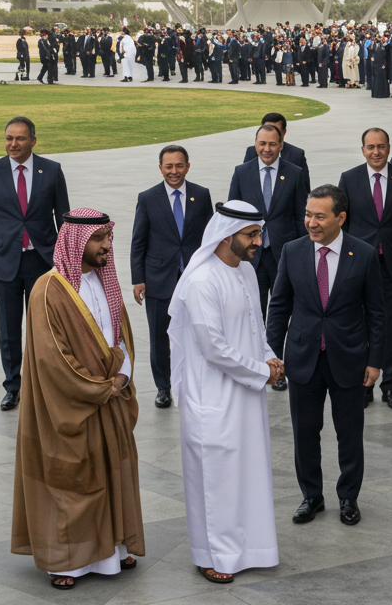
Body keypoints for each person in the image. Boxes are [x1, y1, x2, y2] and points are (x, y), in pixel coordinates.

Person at [10, 209, 144, 590]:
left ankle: (113, 549)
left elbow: (121, 337)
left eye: (108, 238)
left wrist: (123, 375)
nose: (106, 246)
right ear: (76, 242)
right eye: (98, 239)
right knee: (73, 479)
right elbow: (53, 359)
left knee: (111, 474)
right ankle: (67, 561)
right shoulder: (47, 291)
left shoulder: (105, 281)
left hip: (109, 398)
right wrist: (99, 388)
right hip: (70, 405)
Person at [168, 201, 284, 584]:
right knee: (215, 479)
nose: (258, 242)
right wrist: (261, 372)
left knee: (246, 474)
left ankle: (251, 549)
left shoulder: (247, 271)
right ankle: (212, 555)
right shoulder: (203, 281)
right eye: (251, 235)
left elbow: (255, 327)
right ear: (225, 235)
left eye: (259, 233)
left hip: (246, 394)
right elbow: (213, 348)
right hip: (213, 398)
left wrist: (269, 357)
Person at [266, 185, 386, 526]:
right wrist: (271, 355)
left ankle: (348, 497)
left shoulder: (363, 254)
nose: (311, 223)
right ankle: (311, 496)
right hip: (302, 359)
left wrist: (375, 360)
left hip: (349, 359)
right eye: (308, 215)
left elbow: (377, 313)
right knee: (305, 432)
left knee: (349, 434)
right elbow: (279, 307)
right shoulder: (292, 251)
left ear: (340, 218)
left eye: (320, 216)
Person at [0, 117, 71, 411]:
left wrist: (65, 262)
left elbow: (64, 219)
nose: (13, 144)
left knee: (45, 328)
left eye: (19, 138)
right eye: (9, 138)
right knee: (9, 329)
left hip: (42, 261)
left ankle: (44, 385)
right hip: (4, 262)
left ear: (33, 141)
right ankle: (13, 386)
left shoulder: (51, 170)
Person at [338, 128, 392, 410]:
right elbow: (343, 225)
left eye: (381, 146)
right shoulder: (349, 179)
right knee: (361, 326)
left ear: (388, 148)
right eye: (371, 147)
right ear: (363, 150)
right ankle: (365, 386)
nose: (376, 152)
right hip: (359, 266)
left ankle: (390, 387)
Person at [130, 145, 213, 409]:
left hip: (194, 279)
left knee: (198, 332)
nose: (174, 171)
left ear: (187, 166)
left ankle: (196, 382)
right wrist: (138, 279)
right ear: (160, 168)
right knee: (159, 336)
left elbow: (210, 238)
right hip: (158, 279)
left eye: (179, 165)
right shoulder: (147, 198)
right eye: (168, 166)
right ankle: (163, 387)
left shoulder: (201, 195)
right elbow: (138, 242)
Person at [227, 123, 309, 320]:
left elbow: (301, 217)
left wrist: (303, 254)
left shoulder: (295, 173)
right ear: (255, 144)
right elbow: (232, 217)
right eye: (262, 143)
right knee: (252, 311)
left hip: (283, 254)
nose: (267, 149)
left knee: (283, 311)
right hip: (250, 256)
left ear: (281, 145)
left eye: (272, 144)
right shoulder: (241, 172)